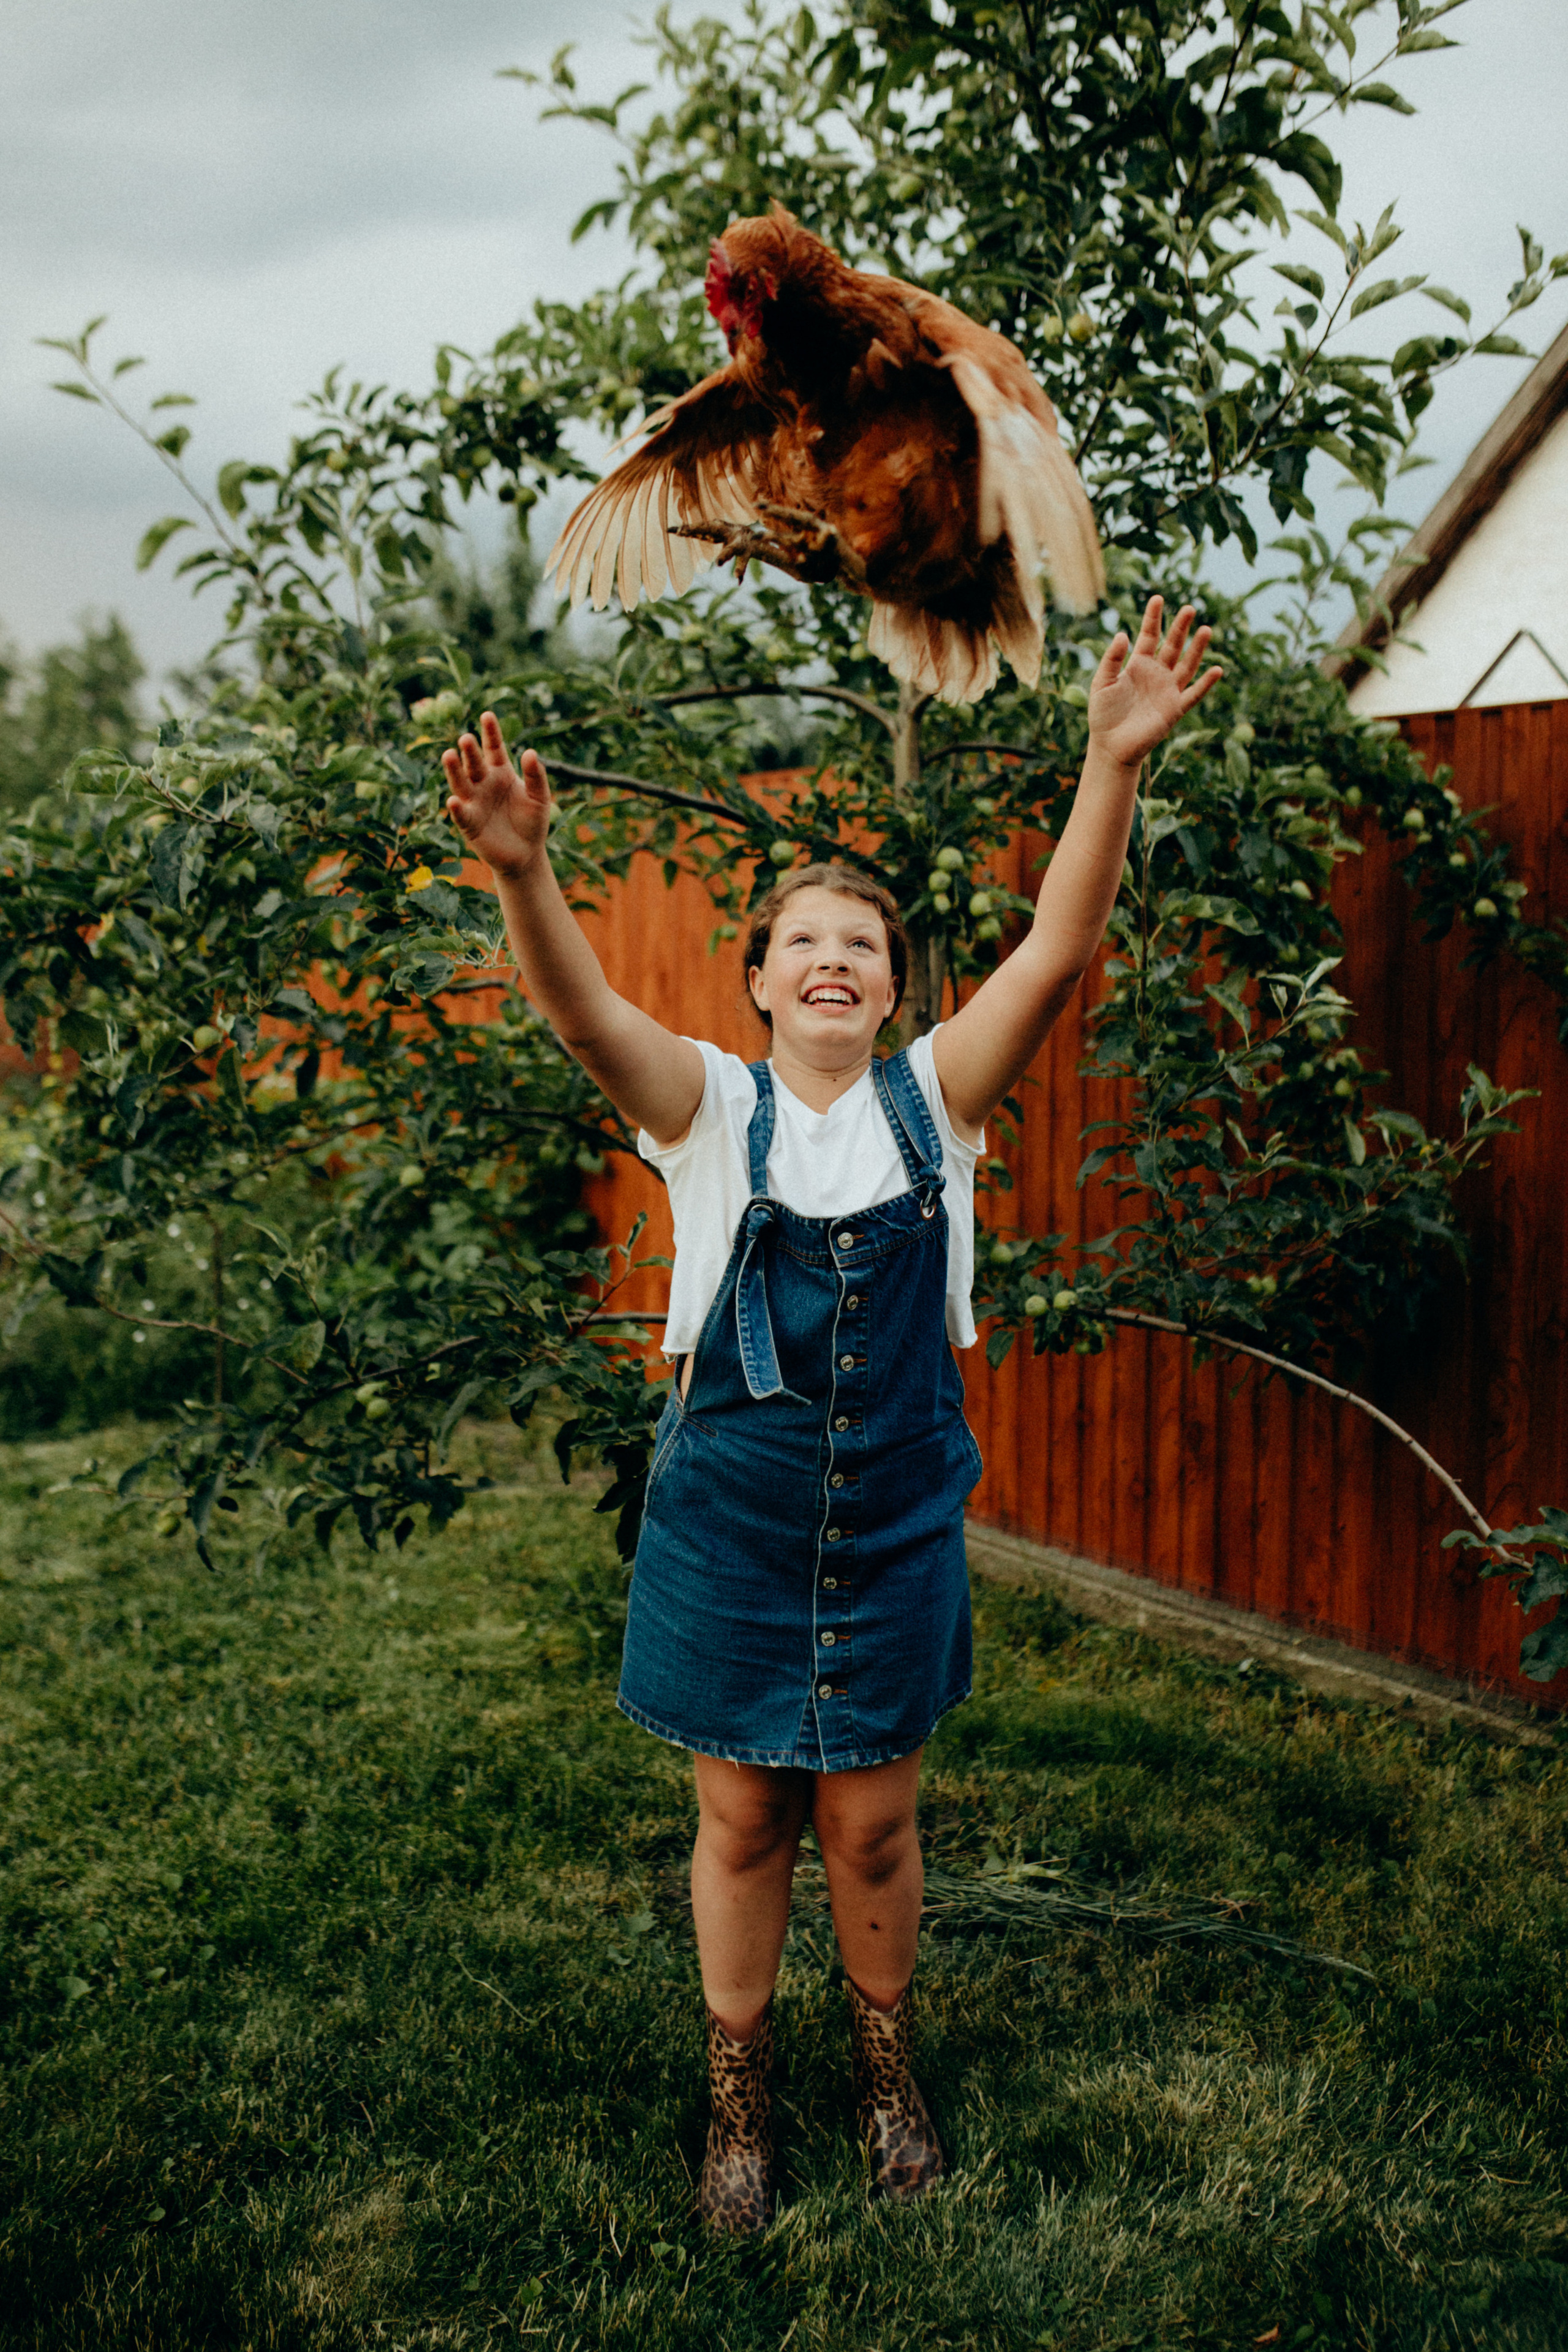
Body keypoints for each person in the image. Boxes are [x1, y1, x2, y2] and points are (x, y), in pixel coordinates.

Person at [443, 594, 1220, 2234]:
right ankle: (740, 2100)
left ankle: (884, 2069)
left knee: (870, 1822)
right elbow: (584, 1017)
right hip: (731, 1514)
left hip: (888, 1521)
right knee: (740, 1815)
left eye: (861, 944)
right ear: (754, 982)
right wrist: (524, 872)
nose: (834, 959)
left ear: (890, 991)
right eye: (803, 939)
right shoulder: (708, 1113)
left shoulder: (937, 1105)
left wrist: (1111, 764)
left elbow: (1059, 947)